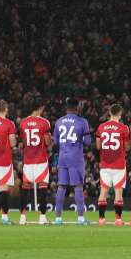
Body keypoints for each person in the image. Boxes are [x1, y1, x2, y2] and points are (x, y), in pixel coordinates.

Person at [53, 97, 93, 226]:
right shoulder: (82, 122)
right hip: (75, 158)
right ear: (78, 108)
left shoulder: (59, 121)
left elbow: (55, 142)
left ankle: (58, 219)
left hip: (62, 157)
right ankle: (80, 218)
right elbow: (88, 142)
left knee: (61, 186)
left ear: (66, 107)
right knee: (78, 186)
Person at [95, 104, 131, 226]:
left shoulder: (101, 127)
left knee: (103, 191)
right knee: (118, 192)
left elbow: (98, 146)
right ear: (120, 114)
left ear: (109, 113)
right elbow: (127, 147)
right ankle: (118, 219)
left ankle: (101, 219)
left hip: (105, 164)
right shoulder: (124, 128)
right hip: (119, 165)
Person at [18, 101, 52, 225]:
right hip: (41, 160)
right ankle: (42, 217)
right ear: (40, 108)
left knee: (25, 189)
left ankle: (22, 217)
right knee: (42, 188)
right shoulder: (44, 122)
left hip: (28, 160)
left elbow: (23, 141)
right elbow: (47, 142)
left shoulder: (23, 122)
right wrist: (49, 140)